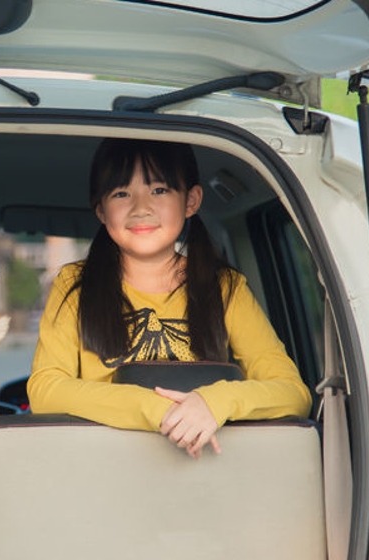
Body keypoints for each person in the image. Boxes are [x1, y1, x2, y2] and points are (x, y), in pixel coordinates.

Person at [27, 138, 311, 459]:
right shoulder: (74, 284)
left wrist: (214, 403)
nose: (141, 208)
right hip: (104, 467)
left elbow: (293, 393)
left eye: (159, 190)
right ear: (101, 211)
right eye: (121, 193)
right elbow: (45, 390)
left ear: (191, 200)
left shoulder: (225, 287)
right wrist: (155, 409)